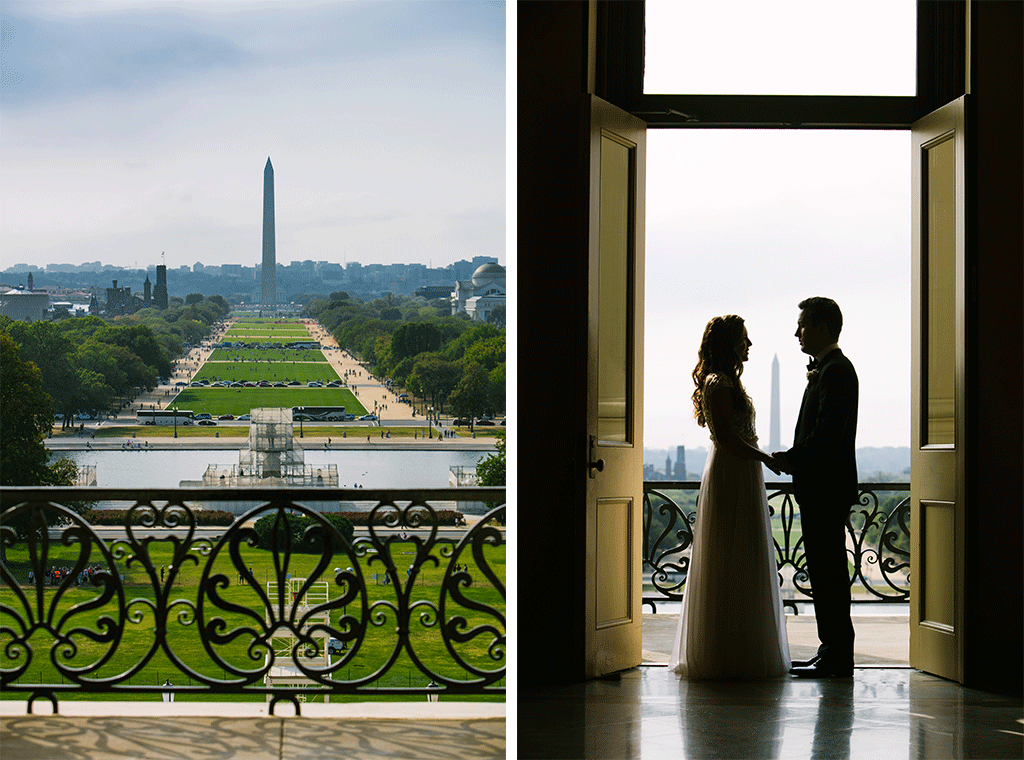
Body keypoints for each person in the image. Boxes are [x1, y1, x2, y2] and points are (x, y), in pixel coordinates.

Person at [668, 315, 791, 680]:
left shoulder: (726, 381)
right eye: (744, 340)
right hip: (732, 471)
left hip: (741, 470)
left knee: (742, 556)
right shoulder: (719, 383)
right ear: (729, 344)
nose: (749, 346)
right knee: (730, 556)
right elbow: (725, 438)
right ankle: (728, 652)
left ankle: (737, 648)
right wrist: (766, 458)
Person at [772, 297, 858, 679]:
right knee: (825, 574)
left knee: (829, 576)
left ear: (823, 327)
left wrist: (793, 458)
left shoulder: (835, 371)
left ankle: (838, 656)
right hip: (822, 488)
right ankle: (831, 651)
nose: (797, 332)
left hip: (825, 489)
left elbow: (827, 433)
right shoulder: (829, 369)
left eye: (803, 324)